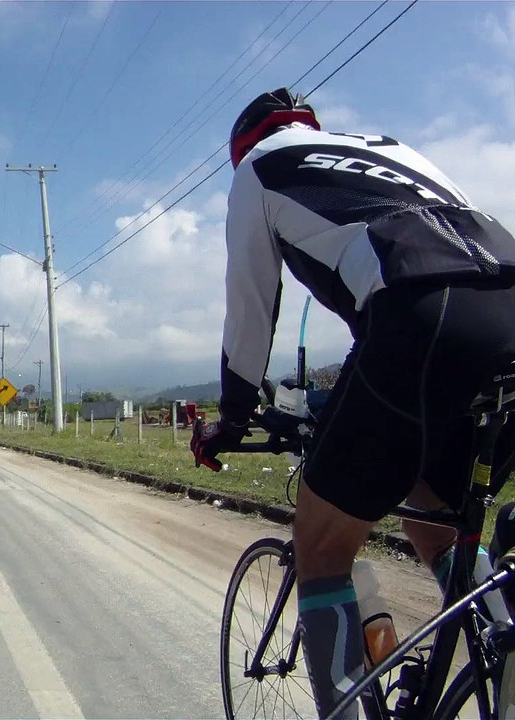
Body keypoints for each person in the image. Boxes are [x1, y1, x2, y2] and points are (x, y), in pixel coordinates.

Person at [191, 87, 515, 718]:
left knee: (320, 544)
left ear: (240, 147)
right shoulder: (393, 152)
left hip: (423, 312)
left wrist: (231, 416)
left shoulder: (259, 170)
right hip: (505, 300)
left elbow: (251, 307)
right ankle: (504, 641)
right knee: (436, 515)